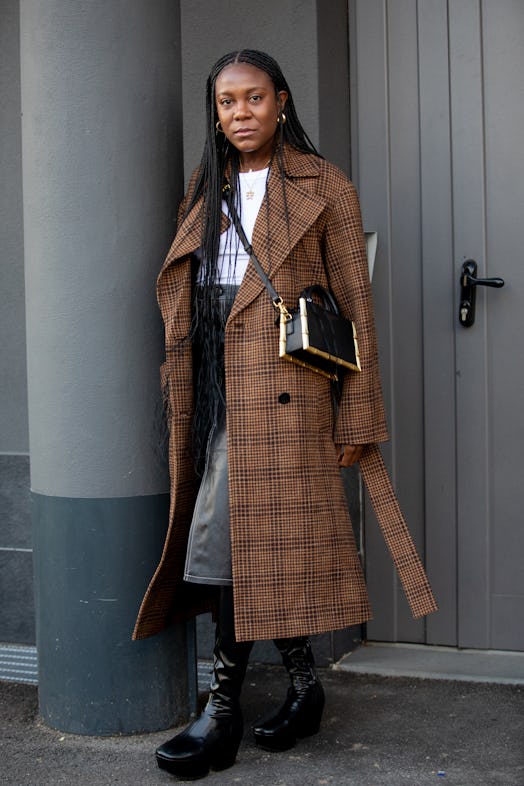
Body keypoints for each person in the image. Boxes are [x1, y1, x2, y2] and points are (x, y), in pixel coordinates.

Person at [132, 49, 437, 780]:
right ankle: (304, 689)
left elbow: (354, 308)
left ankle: (222, 712)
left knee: (231, 547)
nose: (241, 114)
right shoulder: (207, 184)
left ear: (283, 101)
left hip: (282, 394)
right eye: (227, 102)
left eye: (254, 99)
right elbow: (193, 284)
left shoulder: (324, 186)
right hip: (211, 385)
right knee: (253, 547)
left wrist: (357, 417)